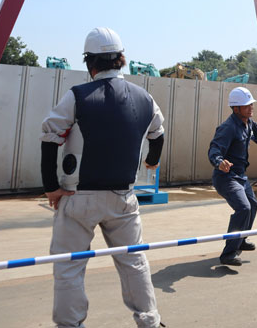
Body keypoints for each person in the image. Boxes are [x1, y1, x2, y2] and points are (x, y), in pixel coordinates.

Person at [40, 27, 165, 328]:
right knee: (134, 261)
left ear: (89, 63)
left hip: (78, 198)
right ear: (122, 59)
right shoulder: (145, 98)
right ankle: (150, 321)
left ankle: (70, 325)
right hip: (124, 198)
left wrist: (51, 187)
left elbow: (49, 135)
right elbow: (158, 135)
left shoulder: (77, 96)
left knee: (69, 266)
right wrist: (151, 161)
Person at [208, 86, 257, 266]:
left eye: (251, 104)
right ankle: (229, 253)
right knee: (243, 208)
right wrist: (219, 161)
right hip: (226, 177)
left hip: (240, 176)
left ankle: (240, 239)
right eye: (246, 105)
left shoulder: (249, 124)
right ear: (236, 108)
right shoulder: (228, 127)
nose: (251, 107)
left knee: (253, 205)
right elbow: (214, 149)